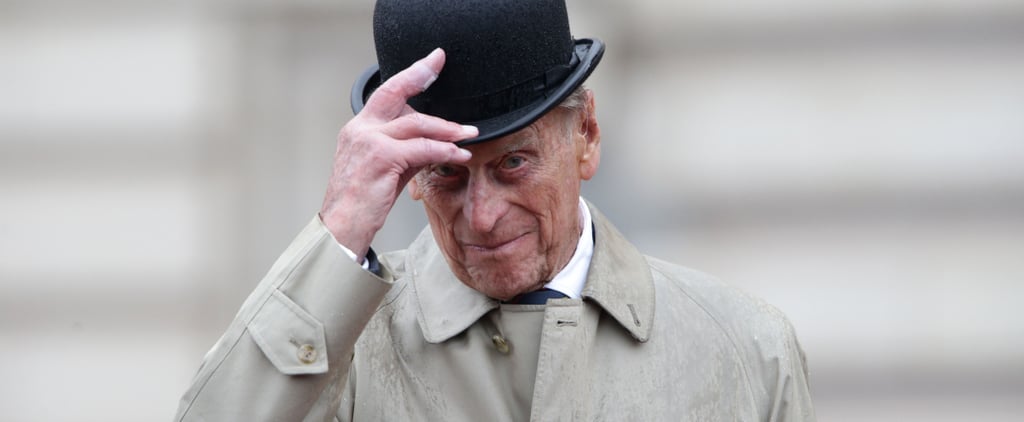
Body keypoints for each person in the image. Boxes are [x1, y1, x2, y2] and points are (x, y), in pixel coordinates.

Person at [175, 0, 815, 420]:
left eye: (513, 163)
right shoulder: (342, 355)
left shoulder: (745, 351)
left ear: (585, 134)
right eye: (447, 174)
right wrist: (338, 232)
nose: (481, 216)